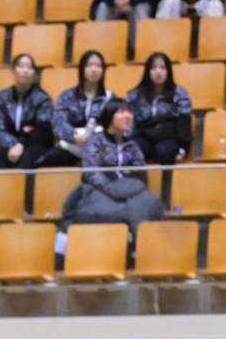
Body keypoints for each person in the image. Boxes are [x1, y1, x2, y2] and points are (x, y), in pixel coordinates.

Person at [65, 100, 168, 228]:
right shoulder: (95, 142)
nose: (127, 116)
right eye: (121, 112)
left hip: (130, 190)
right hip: (101, 190)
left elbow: (141, 174)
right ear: (109, 117)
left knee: (150, 202)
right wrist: (113, 189)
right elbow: (91, 173)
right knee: (103, 209)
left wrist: (125, 189)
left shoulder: (132, 146)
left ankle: (136, 238)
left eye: (129, 112)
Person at [0, 53, 65, 168]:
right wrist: (13, 144)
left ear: (34, 73)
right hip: (9, 143)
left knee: (28, 158)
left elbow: (42, 130)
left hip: (35, 144)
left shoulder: (42, 98)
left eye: (29, 67)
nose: (25, 71)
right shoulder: (2, 98)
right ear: (13, 70)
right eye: (21, 67)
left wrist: (22, 144)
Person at [130, 52, 193, 164]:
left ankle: (166, 177)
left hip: (169, 138)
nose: (158, 72)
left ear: (168, 71)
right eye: (153, 68)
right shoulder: (135, 95)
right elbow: (129, 123)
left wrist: (183, 147)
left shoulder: (180, 94)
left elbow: (184, 123)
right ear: (148, 71)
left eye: (162, 68)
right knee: (135, 149)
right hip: (144, 136)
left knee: (164, 151)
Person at [56, 49, 117, 158]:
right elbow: (59, 122)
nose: (94, 70)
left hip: (100, 147)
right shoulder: (67, 96)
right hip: (73, 144)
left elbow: (118, 125)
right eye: (89, 65)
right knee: (51, 158)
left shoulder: (110, 98)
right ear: (82, 69)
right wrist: (73, 135)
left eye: (98, 66)